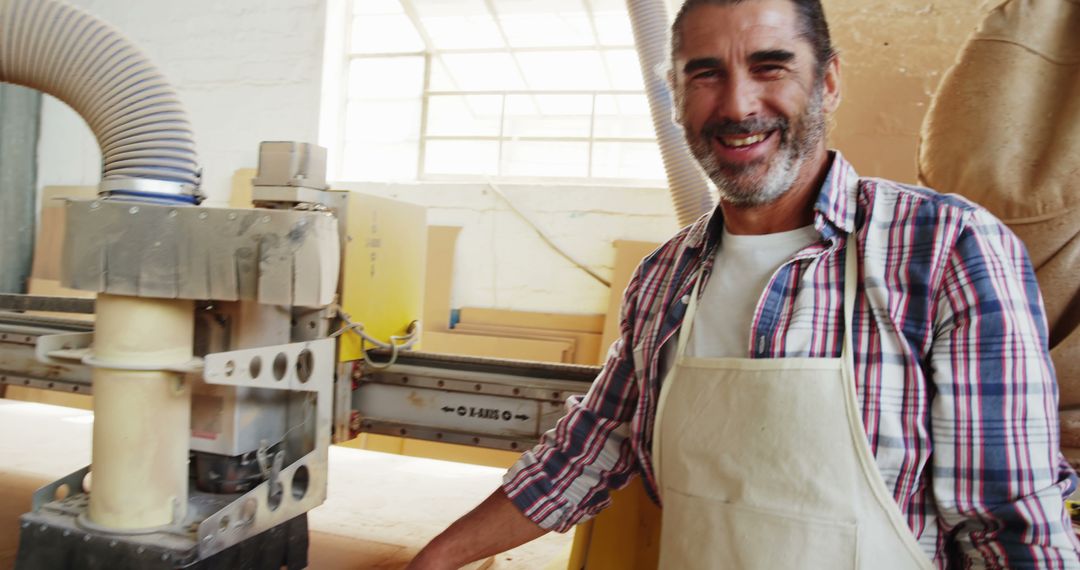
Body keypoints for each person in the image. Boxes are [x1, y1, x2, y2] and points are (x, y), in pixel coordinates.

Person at [407, 0, 1080, 567]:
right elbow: (590, 449)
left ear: (830, 81)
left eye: (771, 67)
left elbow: (1010, 523)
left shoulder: (945, 249)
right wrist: (433, 560)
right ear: (674, 98)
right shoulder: (662, 279)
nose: (737, 105)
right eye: (704, 75)